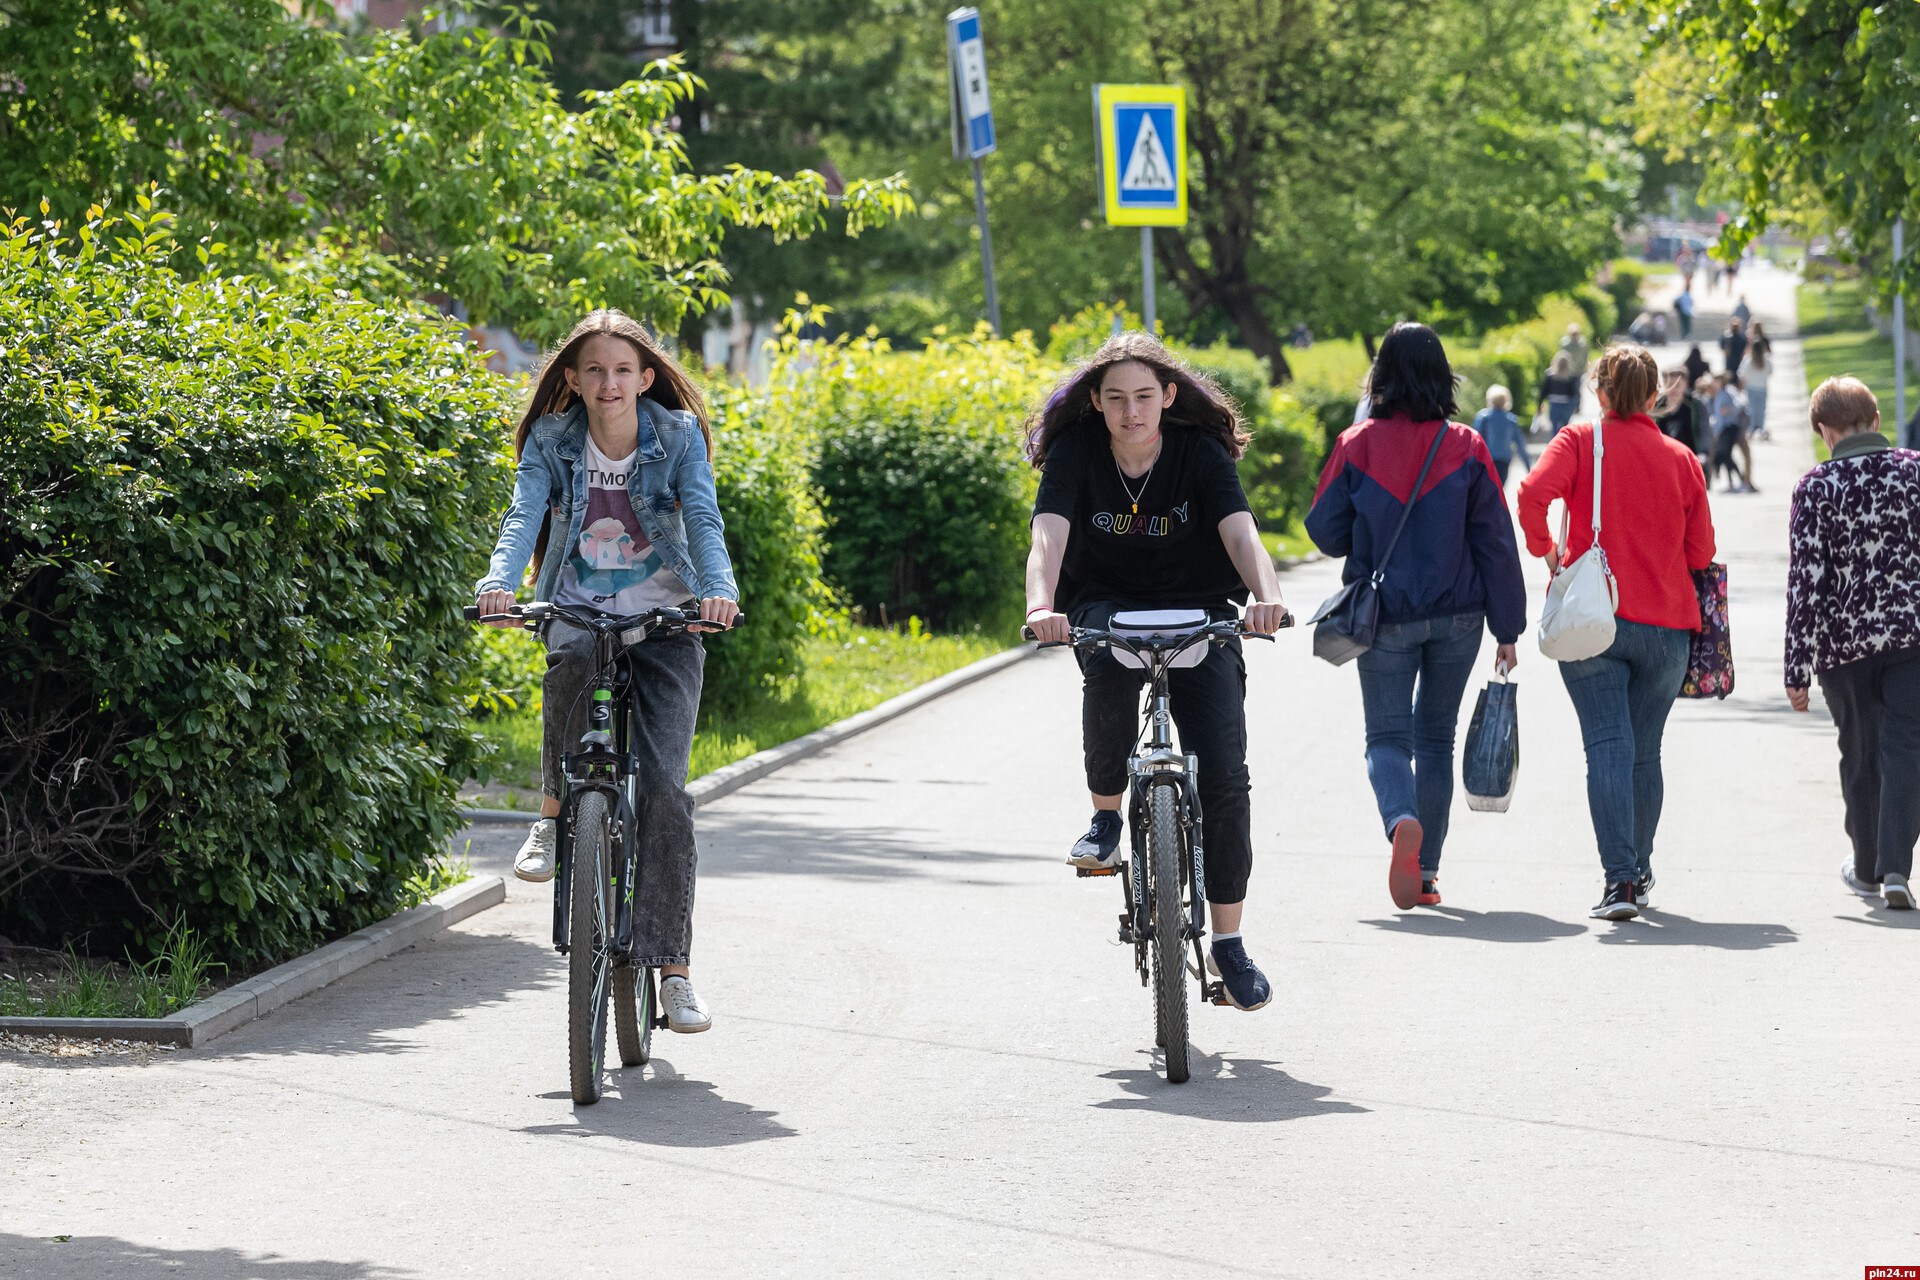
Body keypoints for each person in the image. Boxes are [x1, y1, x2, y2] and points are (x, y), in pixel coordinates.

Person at [474, 308, 740, 1033]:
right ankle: (553, 813)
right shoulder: (554, 439)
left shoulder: (677, 438)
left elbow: (704, 520)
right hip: (582, 607)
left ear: (646, 378)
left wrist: (720, 592)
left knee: (665, 790)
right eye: (594, 369)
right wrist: (499, 584)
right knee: (564, 666)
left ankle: (673, 970)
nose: (609, 382)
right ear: (572, 379)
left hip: (667, 622)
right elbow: (522, 514)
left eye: (623, 370)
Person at [1024, 332, 1291, 1011]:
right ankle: (1107, 820)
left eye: (1145, 397)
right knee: (1108, 676)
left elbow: (1239, 529)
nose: (1132, 412)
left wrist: (1266, 596)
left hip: (1201, 606)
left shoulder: (1198, 454)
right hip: (1106, 604)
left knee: (1227, 778)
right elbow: (1049, 534)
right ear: (1097, 403)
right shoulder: (1077, 454)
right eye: (1116, 399)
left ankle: (1228, 945)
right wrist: (1041, 604)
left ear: (1168, 397)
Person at [1306, 323, 1527, 910]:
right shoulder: (1468, 445)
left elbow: (1323, 532)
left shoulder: (1357, 444)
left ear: (1379, 377)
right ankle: (1426, 873)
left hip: (1384, 616)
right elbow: (1496, 543)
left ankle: (1400, 818)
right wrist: (1509, 629)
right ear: (1442, 376)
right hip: (1460, 618)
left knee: (1386, 737)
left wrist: (1369, 524)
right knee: (1435, 739)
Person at [1517, 344, 1717, 920]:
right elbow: (1701, 550)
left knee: (1607, 743)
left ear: (1598, 392)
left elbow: (1532, 495)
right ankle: (1640, 868)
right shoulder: (1682, 459)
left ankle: (1620, 881)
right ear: (1656, 397)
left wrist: (1549, 553)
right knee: (1645, 750)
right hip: (1666, 627)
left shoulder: (1580, 442)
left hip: (1593, 620)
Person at [1786, 377, 1920, 909]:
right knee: (1906, 748)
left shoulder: (1815, 487)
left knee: (1860, 752)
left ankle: (1866, 869)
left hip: (1844, 646)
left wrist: (1796, 666)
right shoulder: (1915, 472)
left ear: (1824, 431)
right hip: (1913, 638)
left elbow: (1805, 581)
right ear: (1877, 420)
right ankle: (1895, 870)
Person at [1471, 384, 1531, 485]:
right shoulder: (1511, 420)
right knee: (1499, 492)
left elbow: (1474, 441)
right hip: (1504, 461)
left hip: (1487, 460)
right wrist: (1529, 468)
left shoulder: (1483, 418)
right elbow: (1520, 445)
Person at [1710, 373, 1758, 493]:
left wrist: (1730, 410)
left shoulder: (1729, 392)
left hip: (1733, 428)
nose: (1715, 383)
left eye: (1717, 381)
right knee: (1726, 455)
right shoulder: (1718, 393)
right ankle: (1735, 481)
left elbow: (1740, 404)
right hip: (1723, 430)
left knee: (1743, 454)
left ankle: (1745, 480)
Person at [1653, 368, 1706, 468]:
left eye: (1677, 385)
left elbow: (1704, 431)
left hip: (1691, 460)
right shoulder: (1656, 406)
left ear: (1685, 384)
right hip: (1664, 461)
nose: (1672, 389)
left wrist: (1703, 453)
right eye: (1669, 384)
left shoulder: (1695, 406)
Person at [1539, 352, 1581, 436]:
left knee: (1554, 427)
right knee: (1564, 428)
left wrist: (1539, 405)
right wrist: (1577, 406)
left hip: (1554, 404)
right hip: (1566, 404)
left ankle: (1555, 444)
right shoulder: (1571, 377)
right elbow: (1575, 393)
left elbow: (1544, 391)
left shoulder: (1550, 375)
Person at [1745, 321, 1772, 439]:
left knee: (1751, 408)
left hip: (1751, 386)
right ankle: (1760, 428)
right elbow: (1770, 371)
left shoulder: (1748, 360)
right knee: (1761, 409)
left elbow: (1742, 373)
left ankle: (1751, 428)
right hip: (1762, 386)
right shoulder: (1765, 359)